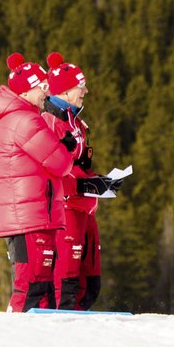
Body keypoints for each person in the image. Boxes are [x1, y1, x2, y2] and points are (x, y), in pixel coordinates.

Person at [0, 53, 75, 312]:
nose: (47, 92)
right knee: (32, 287)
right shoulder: (26, 120)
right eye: (43, 87)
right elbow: (60, 163)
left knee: (41, 291)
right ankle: (15, 341)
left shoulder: (11, 118)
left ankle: (36, 345)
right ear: (28, 90)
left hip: (26, 214)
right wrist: (67, 146)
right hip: (29, 216)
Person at [42, 52, 116, 310]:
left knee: (90, 282)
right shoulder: (50, 122)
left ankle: (79, 328)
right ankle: (61, 328)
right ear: (63, 91)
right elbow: (52, 169)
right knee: (67, 279)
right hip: (66, 209)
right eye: (80, 86)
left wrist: (99, 181)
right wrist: (84, 186)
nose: (85, 90)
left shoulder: (78, 122)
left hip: (85, 208)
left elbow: (79, 166)